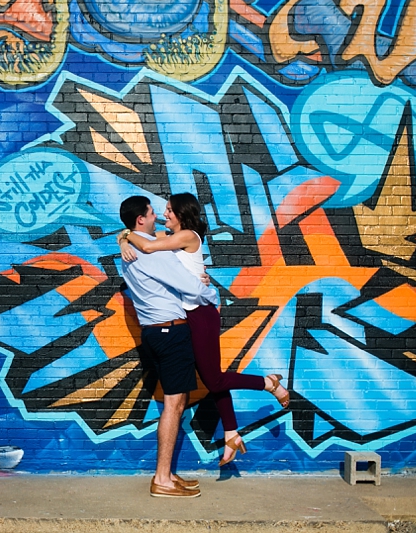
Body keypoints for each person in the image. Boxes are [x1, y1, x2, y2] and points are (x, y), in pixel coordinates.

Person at [119, 193, 290, 466]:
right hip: (190, 315)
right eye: (160, 211)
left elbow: (148, 247)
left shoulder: (187, 235)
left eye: (169, 211)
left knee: (213, 380)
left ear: (181, 214)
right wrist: (125, 237)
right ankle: (232, 432)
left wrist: (125, 235)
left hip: (200, 314)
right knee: (214, 376)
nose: (164, 215)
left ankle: (268, 383)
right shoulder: (170, 239)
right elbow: (156, 251)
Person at [119, 195, 219, 499]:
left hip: (154, 333)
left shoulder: (126, 254)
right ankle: (162, 478)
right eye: (152, 213)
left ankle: (168, 474)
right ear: (141, 220)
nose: (159, 217)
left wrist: (123, 236)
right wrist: (211, 292)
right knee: (174, 406)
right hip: (172, 333)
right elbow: (191, 288)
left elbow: (144, 242)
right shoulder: (154, 254)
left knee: (172, 405)